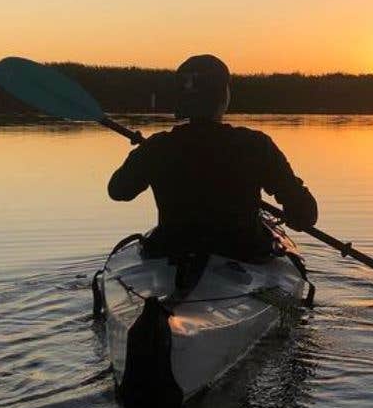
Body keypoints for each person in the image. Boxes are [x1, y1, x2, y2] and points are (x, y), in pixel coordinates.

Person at [107, 54, 318, 260]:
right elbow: (305, 215)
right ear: (223, 96)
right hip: (244, 252)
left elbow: (118, 191)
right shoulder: (254, 145)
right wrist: (294, 217)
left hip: (172, 251)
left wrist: (144, 155)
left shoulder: (157, 147)